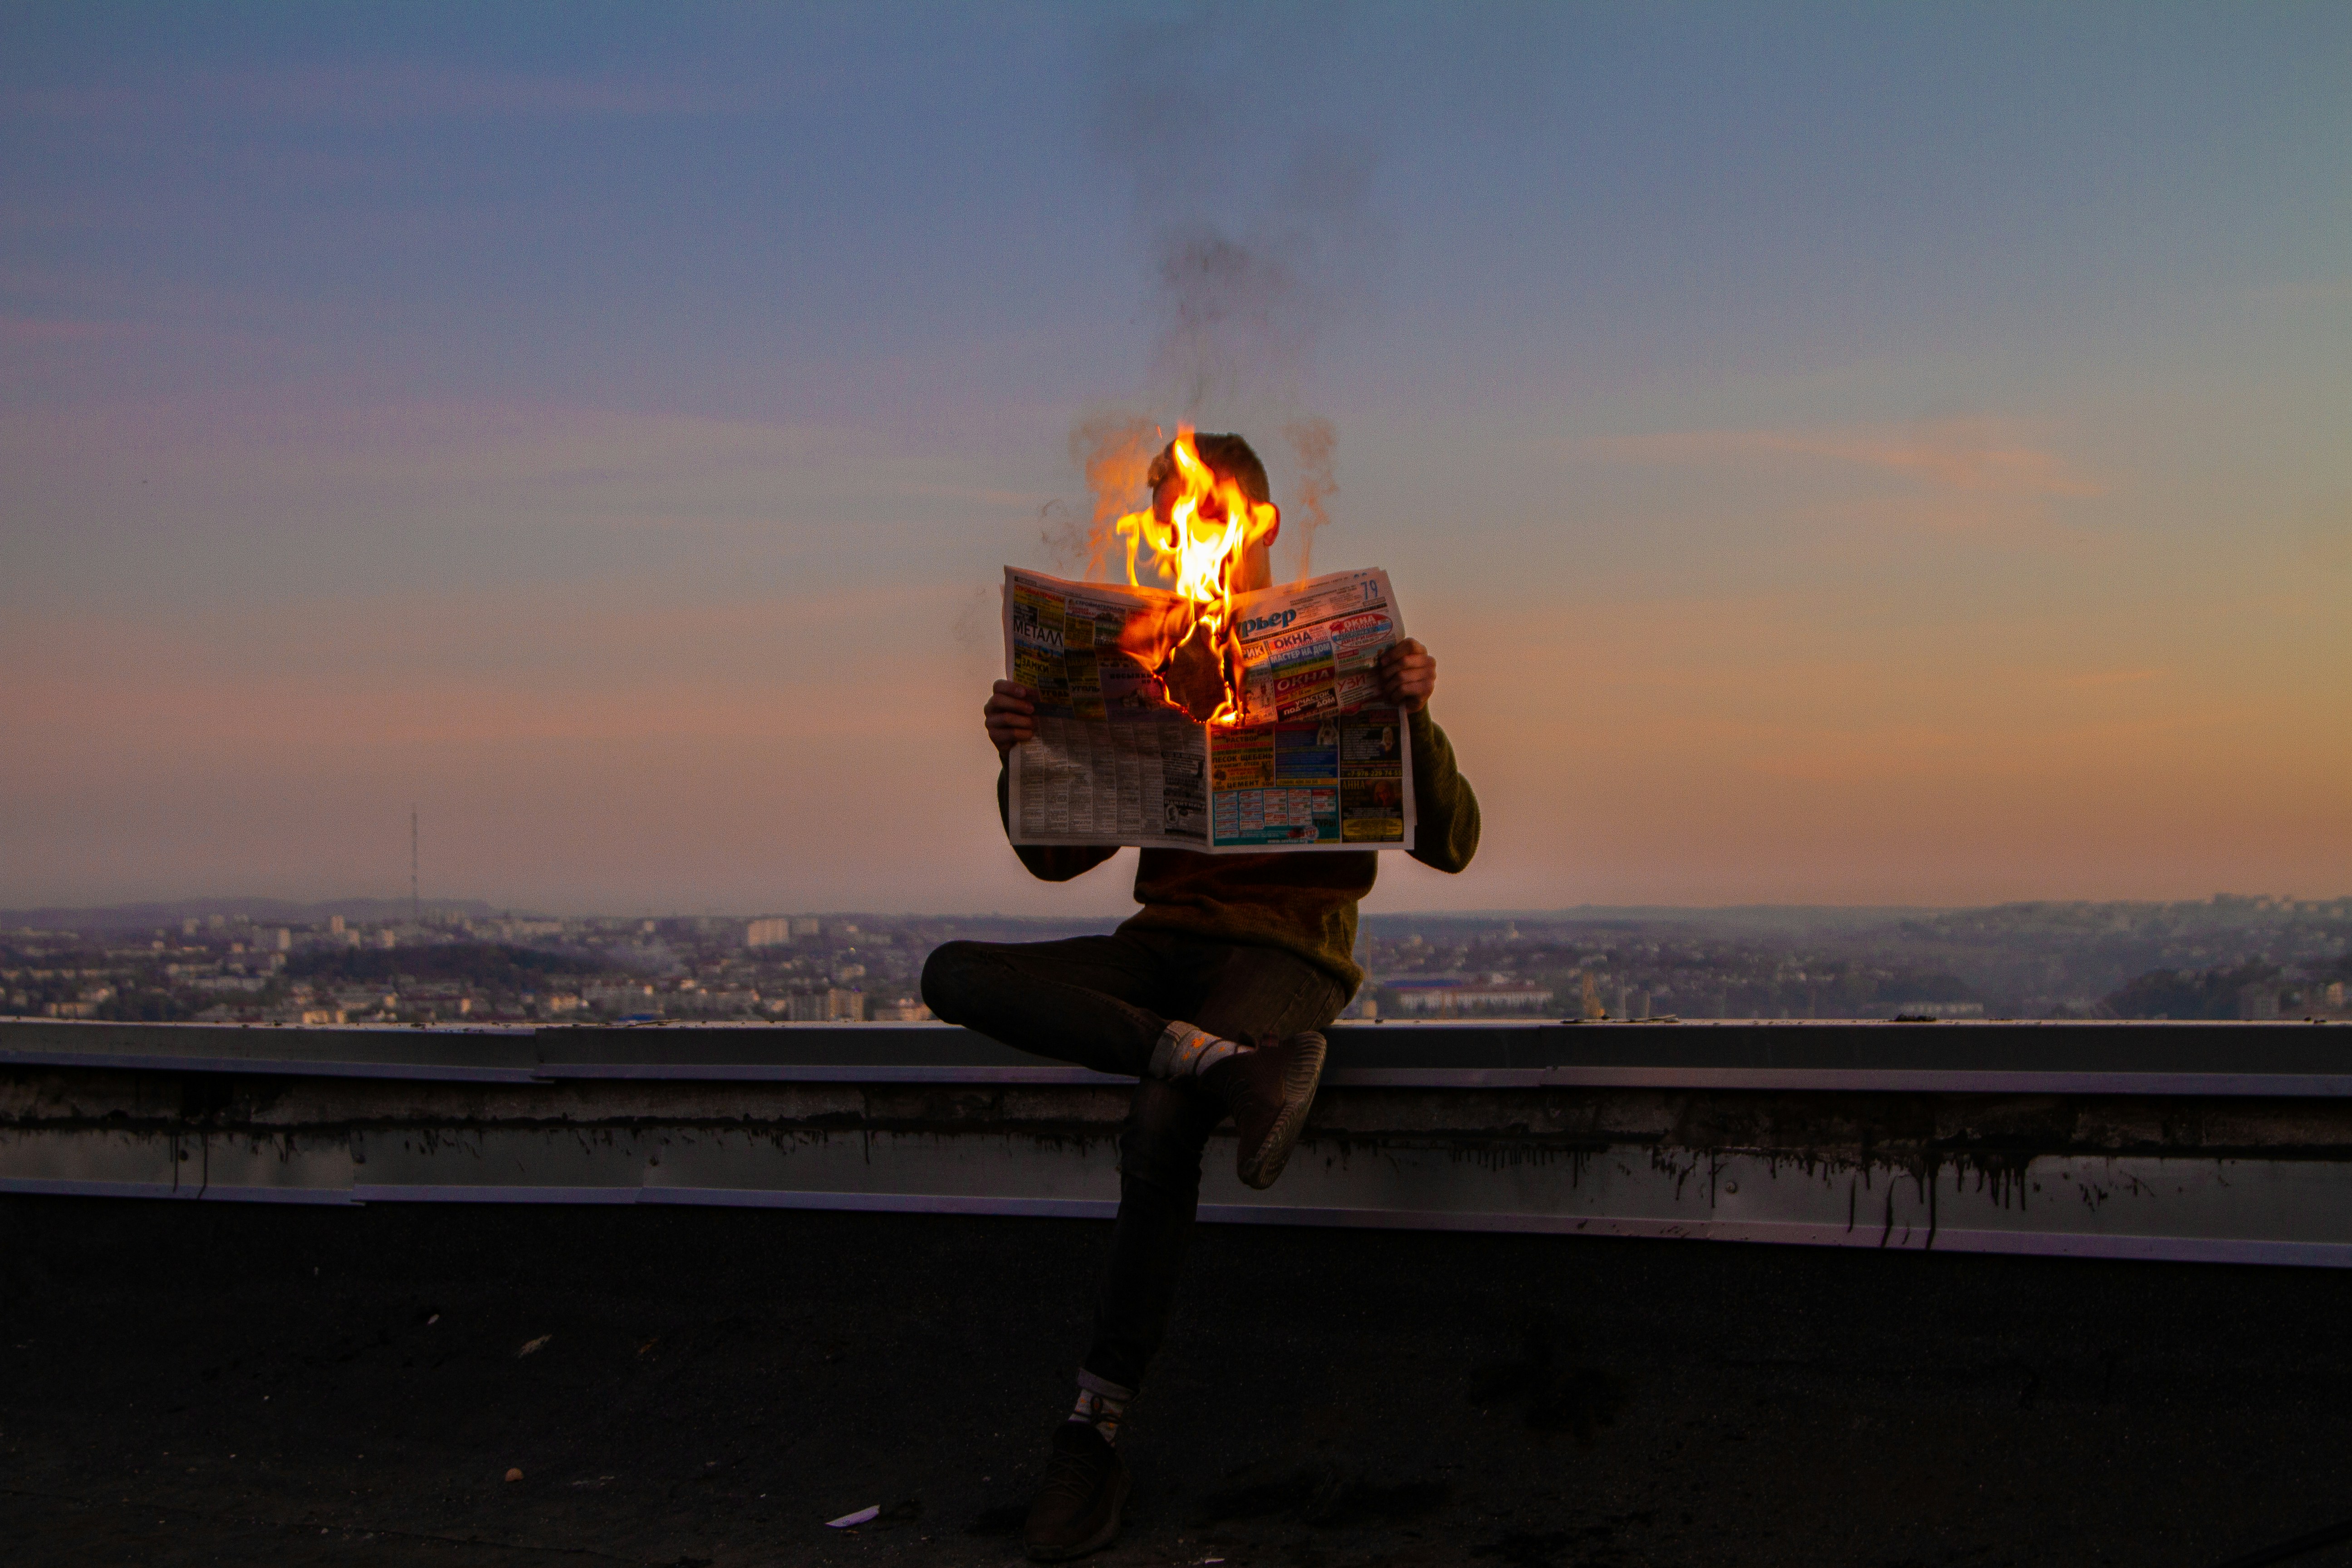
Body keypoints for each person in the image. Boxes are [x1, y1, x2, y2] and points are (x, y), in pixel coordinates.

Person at [921, 432, 1481, 1563]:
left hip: (1287, 954)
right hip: (1159, 949)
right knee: (954, 973)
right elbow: (1054, 862)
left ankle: (1093, 1429)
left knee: (1162, 1116)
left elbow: (1454, 843)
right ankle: (1228, 1066)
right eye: (1167, 512)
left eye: (1203, 512)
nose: (1185, 534)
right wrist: (1021, 752)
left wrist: (1413, 714)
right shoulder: (1156, 647)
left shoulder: (1357, 656)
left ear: (1255, 524)